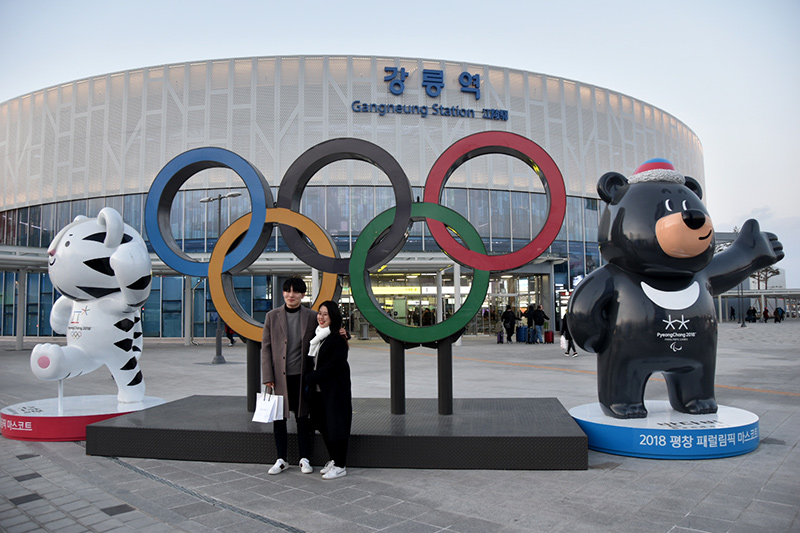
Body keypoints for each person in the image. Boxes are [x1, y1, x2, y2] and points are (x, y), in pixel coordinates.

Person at [261, 278, 317, 475]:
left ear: (303, 294)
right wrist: (267, 376)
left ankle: (304, 459)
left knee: (303, 418)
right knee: (279, 419)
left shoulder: (312, 316)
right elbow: (266, 348)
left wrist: (343, 333)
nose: (291, 295)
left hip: (302, 377)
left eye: (295, 291)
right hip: (278, 378)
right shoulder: (272, 316)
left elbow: (325, 333)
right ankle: (281, 459)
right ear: (283, 293)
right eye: (287, 291)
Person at [305, 301, 353, 480]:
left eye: (325, 314)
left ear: (333, 317)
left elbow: (334, 365)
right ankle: (334, 459)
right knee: (323, 425)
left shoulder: (337, 338)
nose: (321, 317)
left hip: (335, 391)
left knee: (337, 426)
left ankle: (340, 465)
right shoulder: (317, 336)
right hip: (319, 392)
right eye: (320, 313)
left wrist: (310, 377)